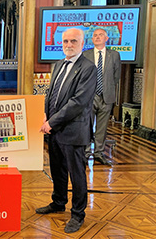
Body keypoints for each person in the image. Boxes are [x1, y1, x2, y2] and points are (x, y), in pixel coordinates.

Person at [38, 28, 96, 234]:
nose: (68, 45)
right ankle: (58, 202)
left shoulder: (88, 68)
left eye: (73, 41)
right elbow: (51, 94)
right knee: (57, 169)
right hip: (54, 130)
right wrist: (46, 115)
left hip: (73, 131)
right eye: (65, 41)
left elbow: (78, 102)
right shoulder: (59, 65)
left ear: (82, 43)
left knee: (77, 174)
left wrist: (51, 122)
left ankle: (78, 214)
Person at [83, 28, 121, 165]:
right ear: (92, 39)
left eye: (100, 35)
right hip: (89, 96)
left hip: (107, 96)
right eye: (95, 36)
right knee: (86, 125)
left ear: (106, 38)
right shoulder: (85, 55)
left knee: (102, 127)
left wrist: (107, 88)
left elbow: (116, 76)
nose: (97, 37)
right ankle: (86, 152)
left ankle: (99, 153)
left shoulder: (114, 55)